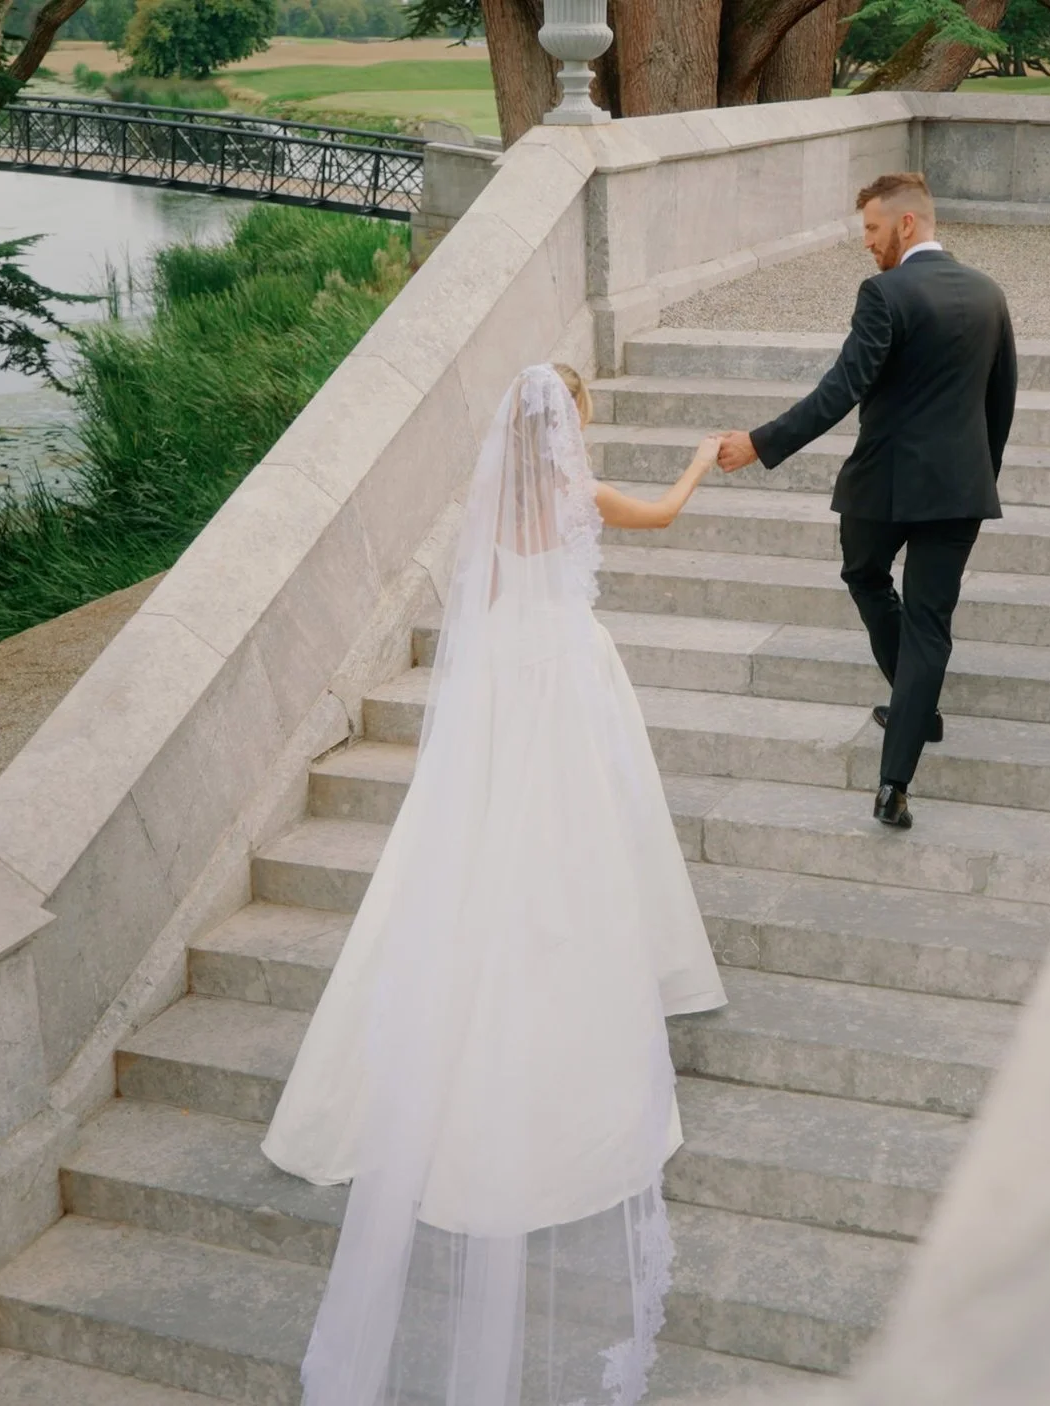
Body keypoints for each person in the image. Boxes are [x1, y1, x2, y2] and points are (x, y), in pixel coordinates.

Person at [262, 364, 727, 1406]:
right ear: (564, 428)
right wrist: (700, 458)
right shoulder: (578, 498)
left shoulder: (489, 507)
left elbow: (474, 613)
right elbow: (654, 513)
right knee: (576, 844)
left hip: (502, 690)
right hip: (567, 679)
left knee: (474, 849)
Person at [715, 171, 1017, 830]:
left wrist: (760, 443)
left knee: (864, 575)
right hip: (962, 490)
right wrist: (977, 478)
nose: (867, 244)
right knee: (930, 626)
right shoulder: (989, 294)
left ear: (907, 225)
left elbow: (841, 388)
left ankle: (914, 707)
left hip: (882, 486)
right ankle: (896, 781)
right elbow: (1002, 404)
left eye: (873, 230)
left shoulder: (885, 293)